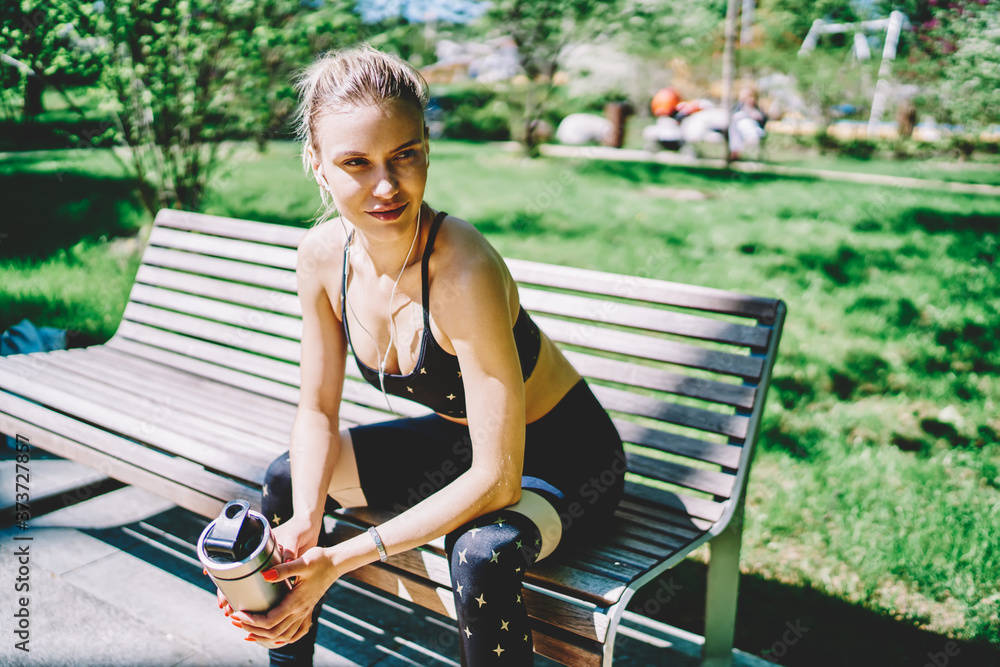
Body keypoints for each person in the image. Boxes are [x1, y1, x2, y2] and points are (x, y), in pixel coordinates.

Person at [218, 44, 626, 666]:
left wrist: (341, 559)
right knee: (286, 478)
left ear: (426, 149)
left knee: (480, 554)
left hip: (565, 459)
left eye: (403, 155)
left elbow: (497, 479)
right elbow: (317, 414)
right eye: (356, 162)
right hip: (459, 440)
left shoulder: (461, 267)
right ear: (318, 165)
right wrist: (304, 519)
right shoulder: (323, 257)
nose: (386, 185)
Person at [728, 86, 768, 161]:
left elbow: (763, 118)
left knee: (745, 126)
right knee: (736, 123)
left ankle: (744, 153)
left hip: (753, 128)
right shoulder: (738, 106)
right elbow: (731, 115)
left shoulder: (757, 107)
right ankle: (736, 151)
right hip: (738, 128)